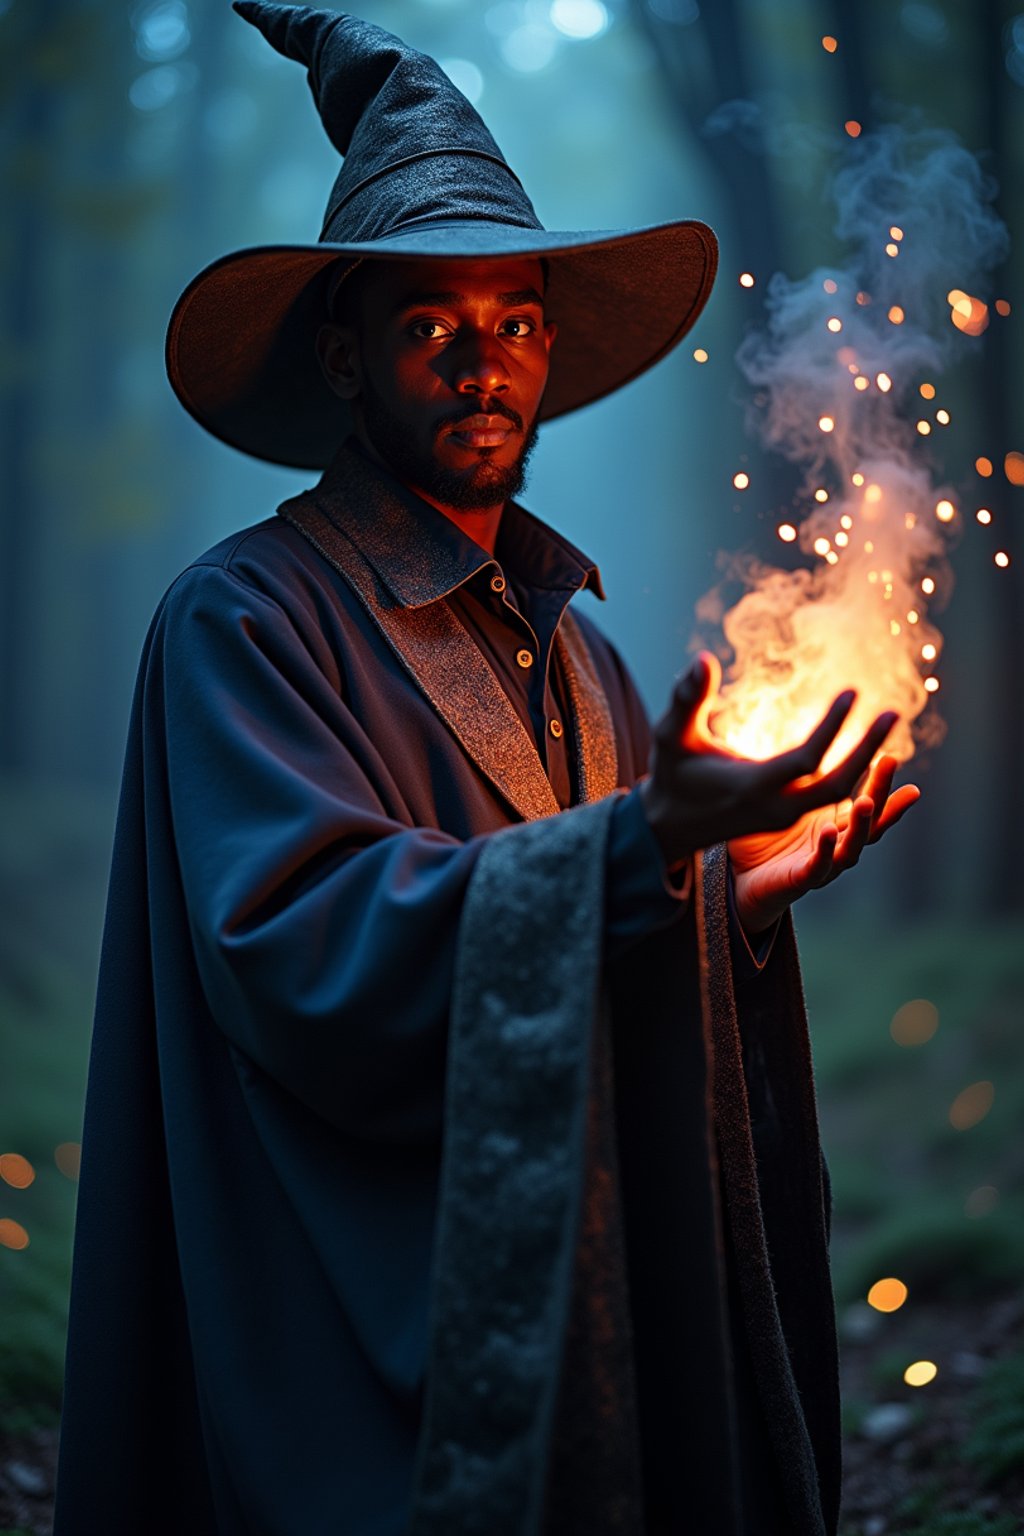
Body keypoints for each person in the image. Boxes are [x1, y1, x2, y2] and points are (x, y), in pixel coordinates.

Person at [53, 5, 919, 1534]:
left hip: (587, 1281)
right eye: (431, 324)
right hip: (349, 1309)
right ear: (346, 356)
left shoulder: (583, 654)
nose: (485, 362)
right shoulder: (241, 618)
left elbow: (616, 934)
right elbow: (302, 948)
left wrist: (733, 908)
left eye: (516, 320)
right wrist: (637, 846)